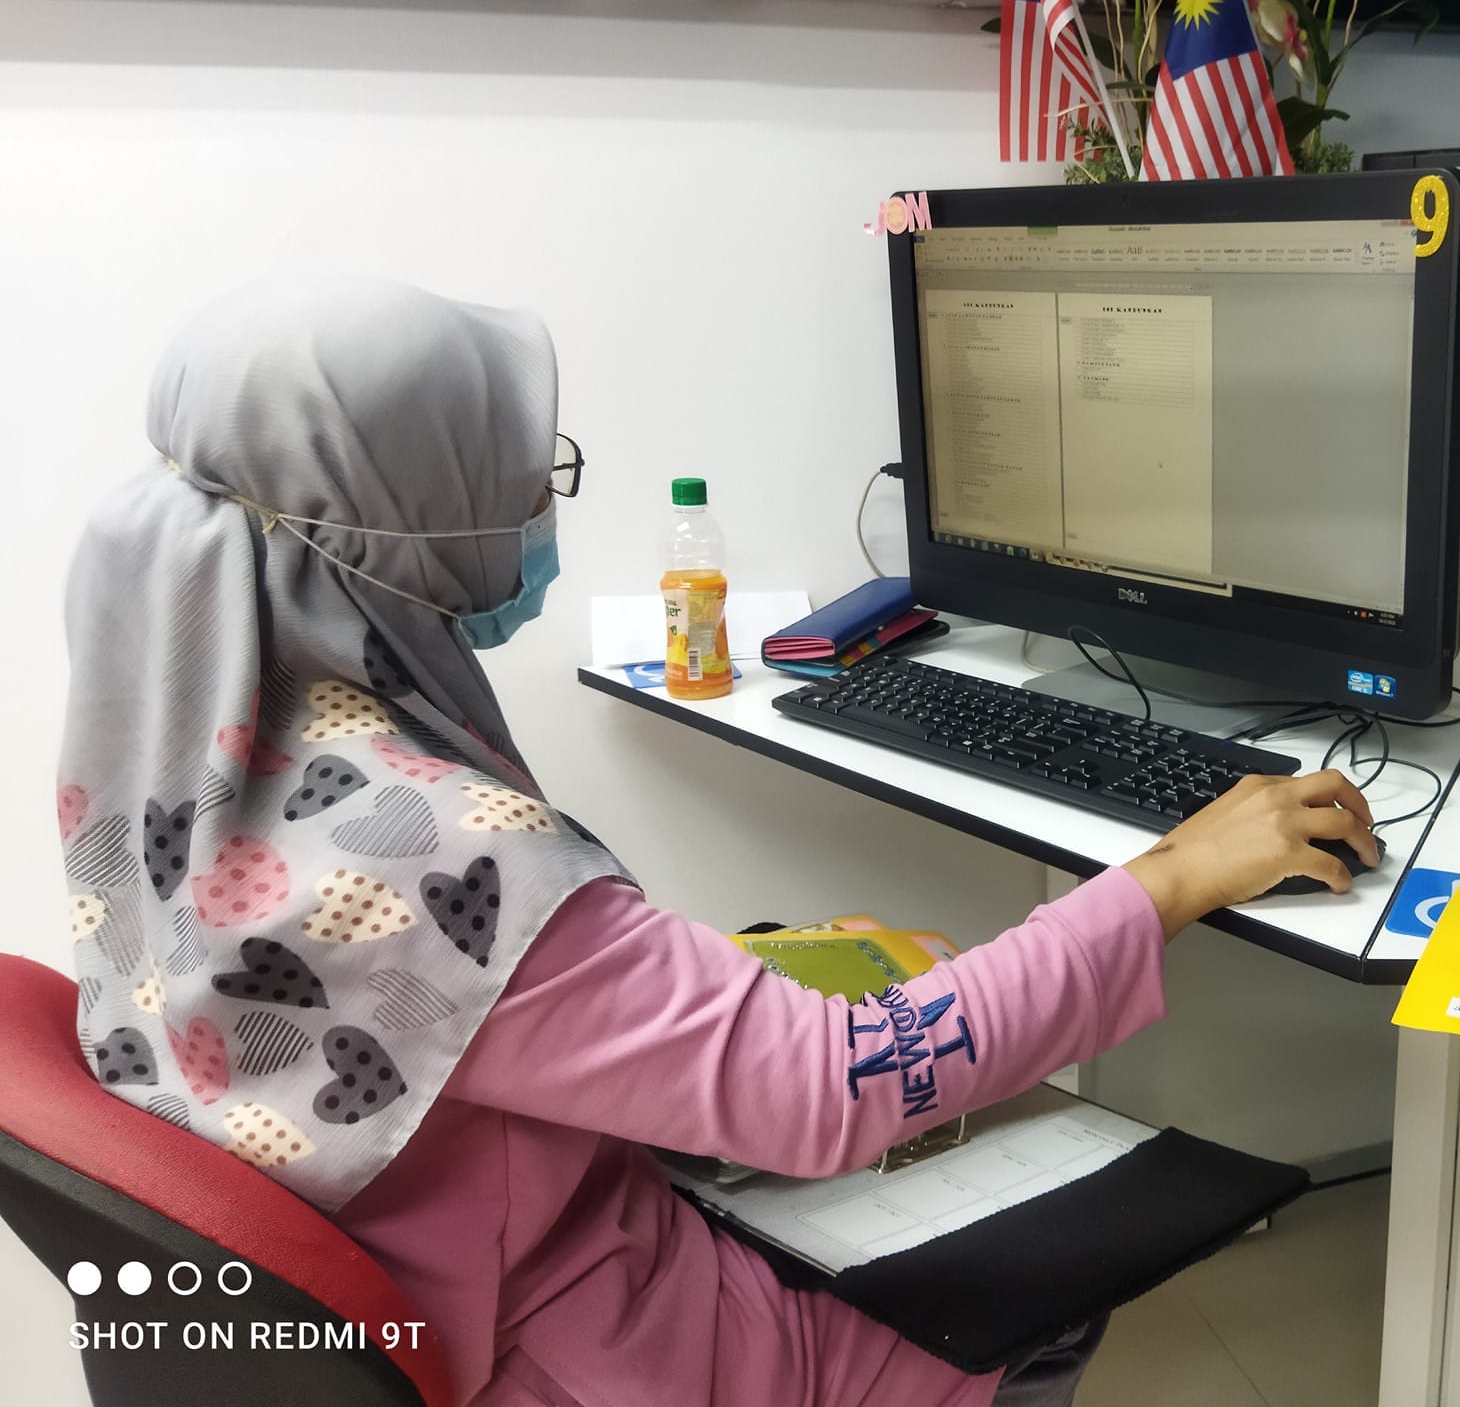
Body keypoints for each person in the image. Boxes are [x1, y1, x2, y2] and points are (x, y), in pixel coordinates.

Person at [57, 275, 1378, 1407]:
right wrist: (1169, 878)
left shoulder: (176, 758)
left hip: (444, 1252)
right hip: (573, 1331)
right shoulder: (436, 848)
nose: (537, 511)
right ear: (404, 509)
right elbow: (833, 1087)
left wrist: (742, 978)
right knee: (1049, 1263)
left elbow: (490, 1010)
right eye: (521, 477)